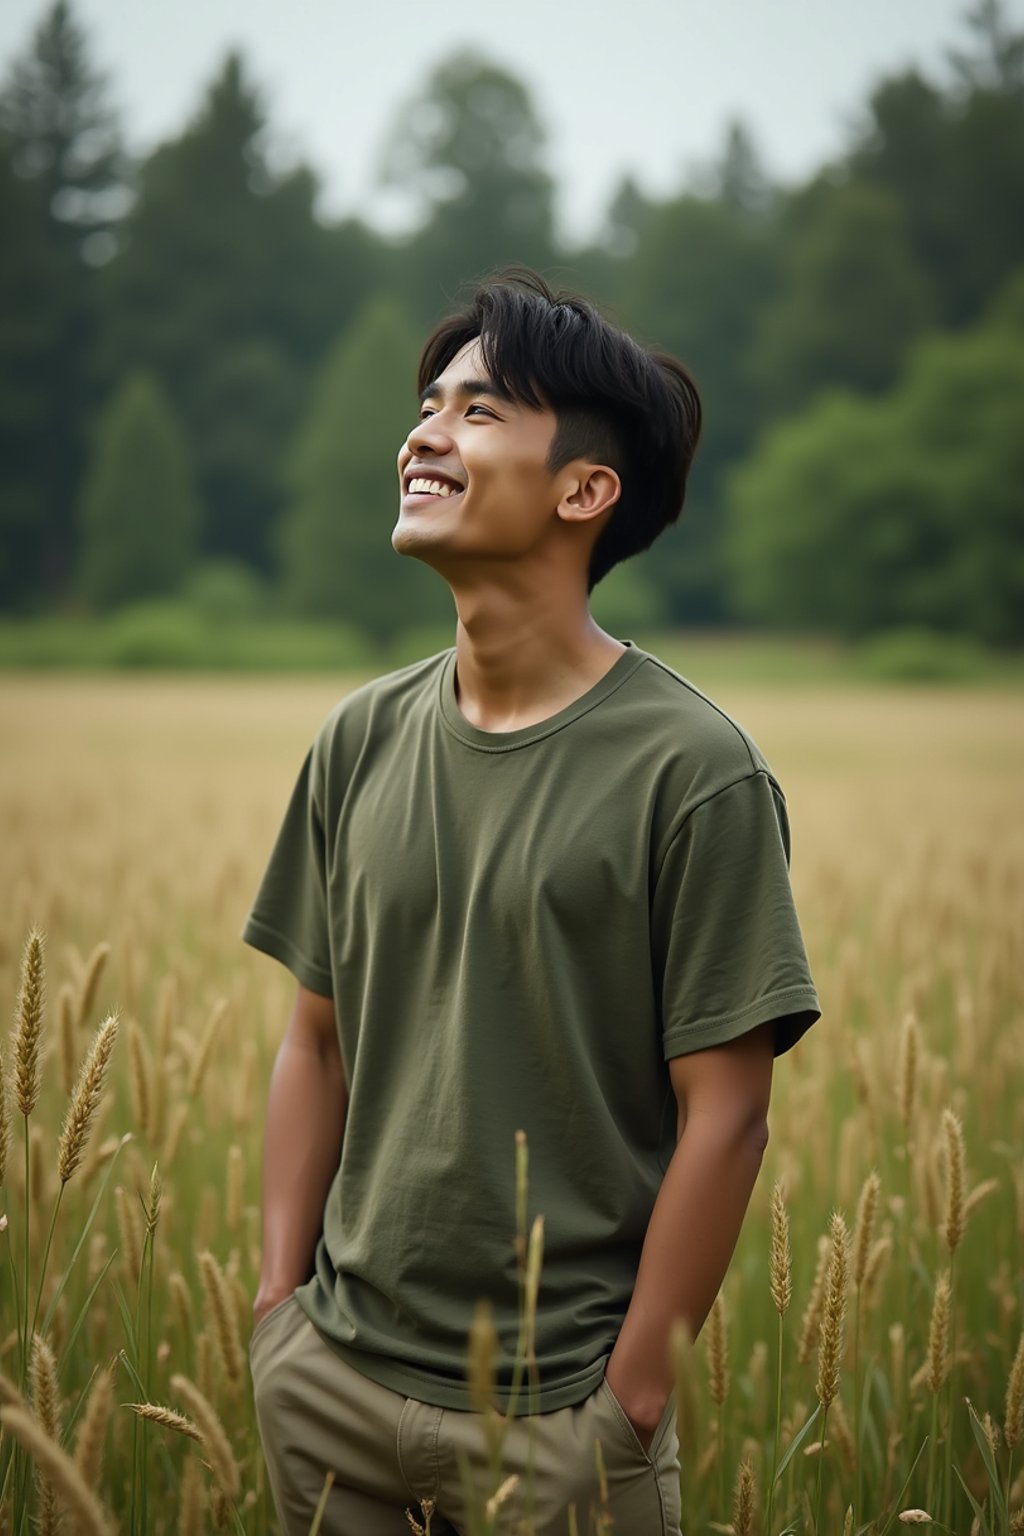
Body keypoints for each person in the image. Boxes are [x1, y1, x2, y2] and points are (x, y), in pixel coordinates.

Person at [243, 269, 821, 1536]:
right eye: (428, 404)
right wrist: (277, 1315)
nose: (425, 433)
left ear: (584, 490)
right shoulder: (359, 737)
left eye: (481, 409)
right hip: (331, 1386)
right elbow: (315, 1039)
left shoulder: (694, 772)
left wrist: (627, 1405)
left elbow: (725, 1116)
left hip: (560, 1422)